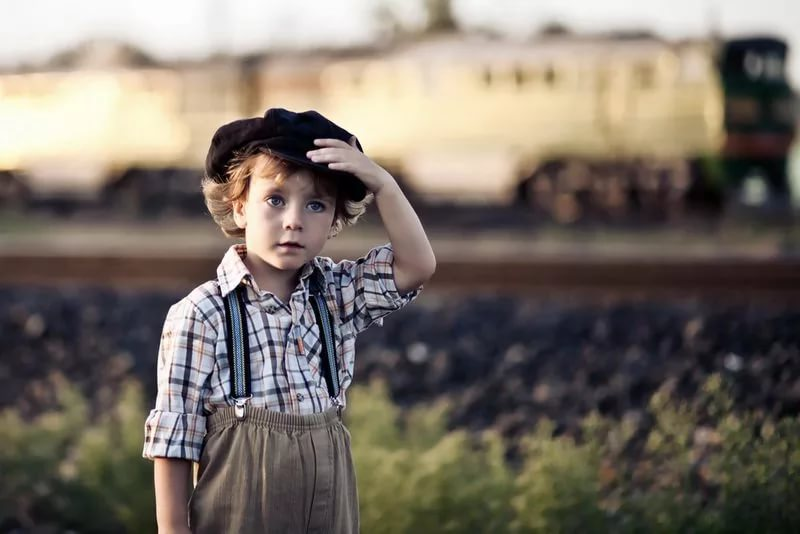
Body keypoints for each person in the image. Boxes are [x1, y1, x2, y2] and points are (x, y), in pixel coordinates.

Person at [142, 108, 436, 533]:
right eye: (275, 200)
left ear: (335, 222)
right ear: (239, 207)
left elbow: (416, 266)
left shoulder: (335, 296)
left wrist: (383, 183)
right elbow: (174, 440)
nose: (294, 220)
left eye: (316, 205)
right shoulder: (204, 313)